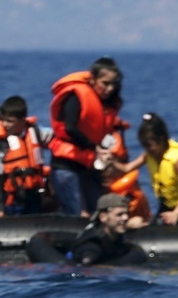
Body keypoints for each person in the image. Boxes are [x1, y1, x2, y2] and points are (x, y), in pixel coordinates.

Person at [48, 56, 125, 216]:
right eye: (105, 83)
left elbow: (104, 134)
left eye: (113, 84)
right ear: (93, 80)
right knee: (79, 214)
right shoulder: (76, 96)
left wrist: (105, 153)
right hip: (66, 166)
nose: (109, 89)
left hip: (88, 166)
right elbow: (70, 128)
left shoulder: (107, 105)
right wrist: (94, 147)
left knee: (99, 213)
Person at [111, 112, 178, 226]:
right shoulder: (148, 155)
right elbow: (127, 168)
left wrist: (176, 213)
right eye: (144, 146)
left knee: (177, 229)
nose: (147, 149)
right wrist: (111, 162)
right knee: (155, 226)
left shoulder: (176, 159)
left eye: (149, 145)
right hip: (166, 204)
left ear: (161, 140)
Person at [0, 96, 50, 216]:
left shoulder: (35, 133)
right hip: (13, 200)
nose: (5, 124)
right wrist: (0, 207)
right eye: (3, 120)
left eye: (10, 121)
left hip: (35, 195)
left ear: (22, 121)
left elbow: (57, 138)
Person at [69, 192, 140, 265]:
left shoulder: (118, 239)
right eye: (119, 214)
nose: (126, 218)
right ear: (103, 217)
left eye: (127, 213)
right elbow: (85, 268)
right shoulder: (93, 246)